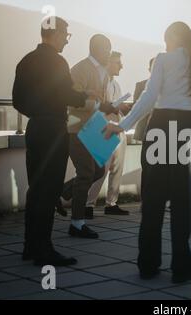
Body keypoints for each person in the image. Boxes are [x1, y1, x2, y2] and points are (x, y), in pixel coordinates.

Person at [103, 21, 191, 283]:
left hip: (161, 127)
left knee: (152, 200)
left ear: (171, 39)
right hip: (188, 130)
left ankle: (148, 264)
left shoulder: (163, 60)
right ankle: (181, 267)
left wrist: (122, 126)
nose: (164, 44)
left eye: (166, 39)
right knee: (182, 202)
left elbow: (149, 97)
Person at [12, 17, 94, 266]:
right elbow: (66, 94)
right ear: (55, 33)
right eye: (66, 35)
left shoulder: (26, 60)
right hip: (54, 130)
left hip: (35, 128)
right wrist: (85, 96)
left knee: (36, 188)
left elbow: (17, 100)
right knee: (49, 191)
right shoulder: (57, 62)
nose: (66, 40)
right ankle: (43, 250)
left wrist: (37, 113)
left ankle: (30, 245)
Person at [62, 34, 123, 240]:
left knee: (98, 170)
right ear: (97, 48)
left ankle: (64, 190)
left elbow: (102, 102)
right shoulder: (79, 70)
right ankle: (77, 224)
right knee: (87, 172)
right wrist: (99, 105)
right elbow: (72, 101)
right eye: (107, 49)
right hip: (77, 128)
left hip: (95, 127)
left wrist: (113, 106)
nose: (109, 53)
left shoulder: (104, 73)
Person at [86, 51, 131, 216]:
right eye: (118, 62)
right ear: (109, 63)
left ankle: (111, 203)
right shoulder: (100, 83)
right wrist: (117, 107)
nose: (121, 66)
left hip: (117, 128)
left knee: (117, 168)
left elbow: (115, 107)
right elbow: (98, 106)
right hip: (102, 130)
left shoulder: (116, 85)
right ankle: (88, 205)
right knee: (101, 168)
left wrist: (123, 110)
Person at [133, 57, 155, 197]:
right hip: (146, 131)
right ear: (149, 69)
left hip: (165, 131)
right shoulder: (141, 85)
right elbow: (137, 107)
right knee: (147, 166)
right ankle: (146, 198)